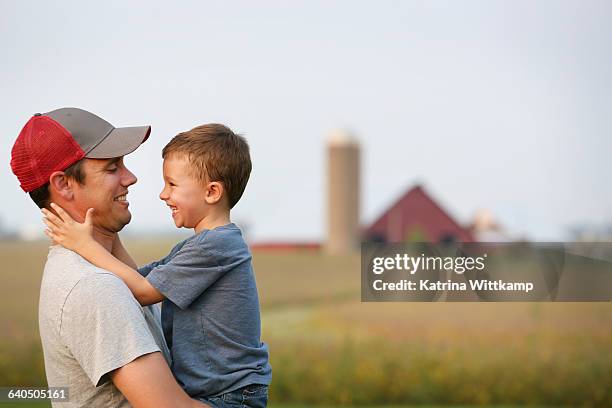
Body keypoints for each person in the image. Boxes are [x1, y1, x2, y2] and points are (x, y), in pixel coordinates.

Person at [43, 124, 272, 407]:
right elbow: (139, 277)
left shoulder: (218, 246)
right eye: (112, 168)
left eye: (172, 185)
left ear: (212, 192)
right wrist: (106, 232)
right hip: (216, 390)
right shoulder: (197, 246)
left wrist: (85, 244)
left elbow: (142, 291)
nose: (163, 194)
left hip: (230, 397)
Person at [10, 108, 208, 408]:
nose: (131, 178)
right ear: (64, 184)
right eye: (112, 167)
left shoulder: (96, 269)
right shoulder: (93, 287)